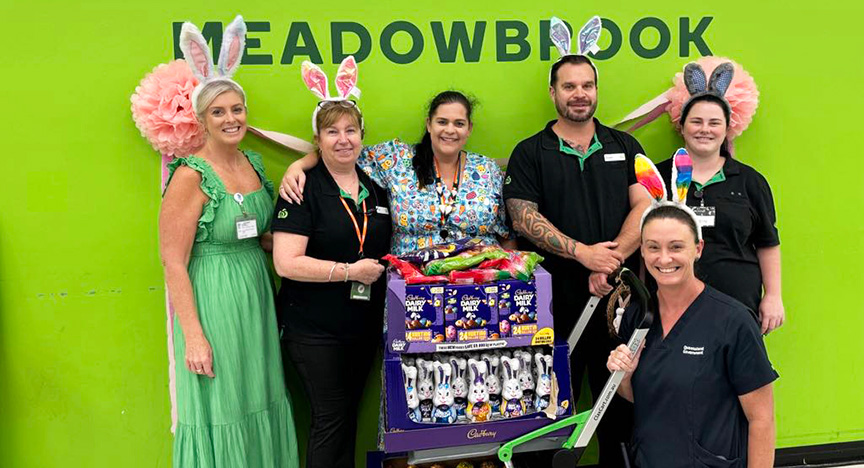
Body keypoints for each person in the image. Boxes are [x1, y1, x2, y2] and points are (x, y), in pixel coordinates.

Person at [503, 21, 652, 466]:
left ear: (596, 90)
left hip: (616, 301)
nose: (579, 93)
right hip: (552, 307)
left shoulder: (625, 145)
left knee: (619, 412)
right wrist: (581, 253)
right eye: (569, 86)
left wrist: (613, 258)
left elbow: (645, 206)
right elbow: (522, 218)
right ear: (553, 93)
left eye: (587, 85)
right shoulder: (531, 152)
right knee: (546, 408)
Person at [158, 18, 298, 467]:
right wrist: (193, 337)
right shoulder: (189, 175)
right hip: (213, 297)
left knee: (259, 392)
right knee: (223, 403)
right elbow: (172, 262)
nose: (231, 119)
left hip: (256, 293)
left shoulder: (255, 164)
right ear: (202, 120)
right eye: (218, 112)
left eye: (237, 109)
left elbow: (260, 235)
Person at [607, 159, 777, 466]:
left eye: (676, 246)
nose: (664, 258)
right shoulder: (638, 316)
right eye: (653, 247)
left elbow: (762, 420)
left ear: (697, 249)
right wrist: (624, 377)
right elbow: (642, 398)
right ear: (642, 252)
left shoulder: (733, 322)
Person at [271, 59, 392, 468]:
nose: (343, 140)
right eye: (332, 131)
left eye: (351, 130)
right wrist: (349, 272)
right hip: (314, 330)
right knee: (330, 418)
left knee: (346, 418)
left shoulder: (376, 189)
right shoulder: (302, 188)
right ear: (317, 139)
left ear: (362, 136)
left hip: (362, 327)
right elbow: (286, 263)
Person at [280, 90, 515, 254]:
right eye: (442, 122)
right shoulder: (397, 159)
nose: (450, 130)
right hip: (412, 294)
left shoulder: (488, 171)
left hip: (480, 291)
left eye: (459, 123)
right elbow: (345, 149)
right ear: (428, 124)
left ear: (469, 128)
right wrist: (298, 165)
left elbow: (506, 236)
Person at [656, 60, 784, 335]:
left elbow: (767, 242)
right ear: (682, 126)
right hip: (670, 306)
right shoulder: (658, 177)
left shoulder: (750, 182)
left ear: (727, 128)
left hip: (737, 304)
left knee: (737, 376)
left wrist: (773, 296)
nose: (705, 129)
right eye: (696, 121)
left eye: (715, 122)